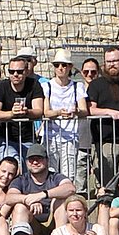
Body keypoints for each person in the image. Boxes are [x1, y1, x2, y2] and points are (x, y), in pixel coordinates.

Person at [87, 47, 119, 194]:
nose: (112, 64)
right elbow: (90, 109)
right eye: (108, 61)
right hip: (104, 144)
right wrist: (109, 112)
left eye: (115, 60)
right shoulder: (96, 85)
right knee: (106, 187)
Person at [41, 50, 89, 184]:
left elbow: (84, 110)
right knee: (50, 173)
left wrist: (76, 111)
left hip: (70, 137)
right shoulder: (47, 86)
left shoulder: (77, 86)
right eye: (57, 65)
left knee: (68, 176)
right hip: (51, 137)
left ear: (70, 67)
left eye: (64, 65)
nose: (60, 68)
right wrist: (58, 113)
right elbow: (45, 112)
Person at [6, 142, 76, 231]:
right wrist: (28, 200)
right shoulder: (21, 180)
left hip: (54, 222)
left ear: (47, 160)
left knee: (60, 202)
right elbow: (9, 197)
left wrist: (43, 195)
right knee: (20, 207)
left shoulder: (55, 177)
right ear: (26, 162)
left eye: (39, 158)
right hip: (32, 224)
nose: (35, 162)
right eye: (31, 159)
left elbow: (70, 188)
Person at [0, 54, 45, 162]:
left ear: (26, 71)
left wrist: (27, 111)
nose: (15, 74)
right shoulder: (1, 86)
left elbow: (39, 111)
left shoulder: (34, 85)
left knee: (28, 168)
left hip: (27, 137)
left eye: (19, 71)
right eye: (11, 71)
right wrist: (12, 114)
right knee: (15, 164)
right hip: (4, 137)